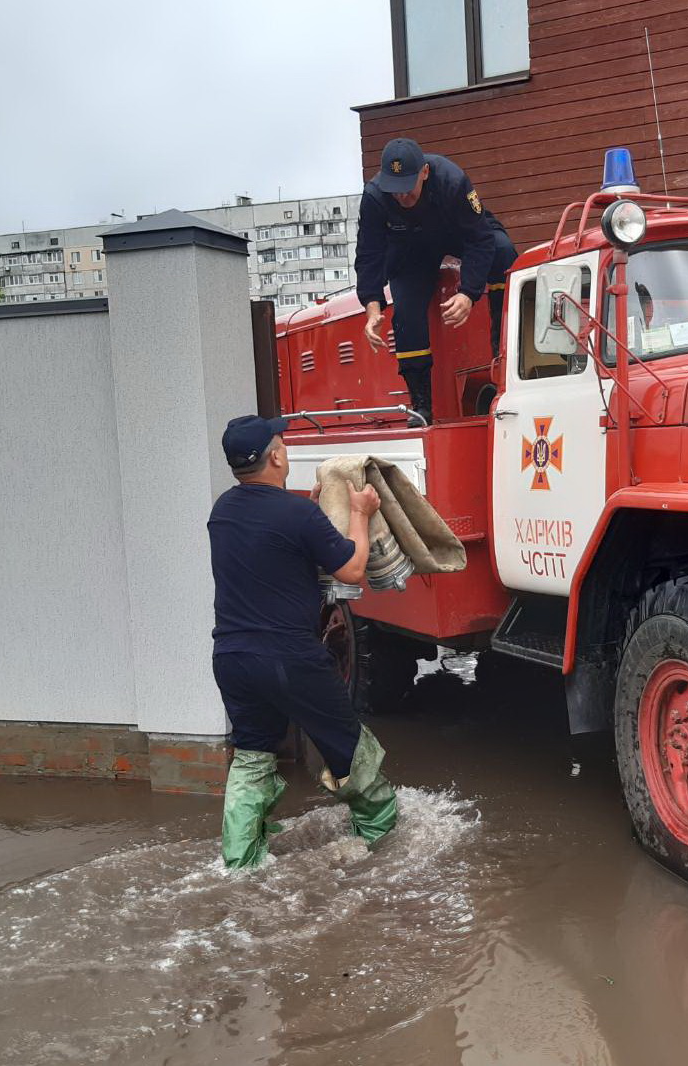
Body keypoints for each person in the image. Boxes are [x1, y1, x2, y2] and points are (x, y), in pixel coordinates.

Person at [210, 414, 399, 869]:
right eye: (283, 444)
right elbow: (352, 570)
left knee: (253, 758)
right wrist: (359, 513)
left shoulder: (223, 511)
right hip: (289, 657)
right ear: (277, 456)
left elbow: (275, 542)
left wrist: (313, 510)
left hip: (233, 658)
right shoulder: (296, 515)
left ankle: (239, 865)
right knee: (351, 750)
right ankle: (385, 848)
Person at [355, 137, 518, 425]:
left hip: (455, 233)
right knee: (405, 312)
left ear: (425, 173)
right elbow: (369, 255)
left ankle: (503, 358)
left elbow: (479, 239)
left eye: (408, 188)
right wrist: (372, 310)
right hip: (409, 249)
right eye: (395, 191)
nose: (402, 197)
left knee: (503, 252)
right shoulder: (374, 197)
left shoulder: (452, 180)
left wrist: (468, 293)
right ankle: (421, 404)